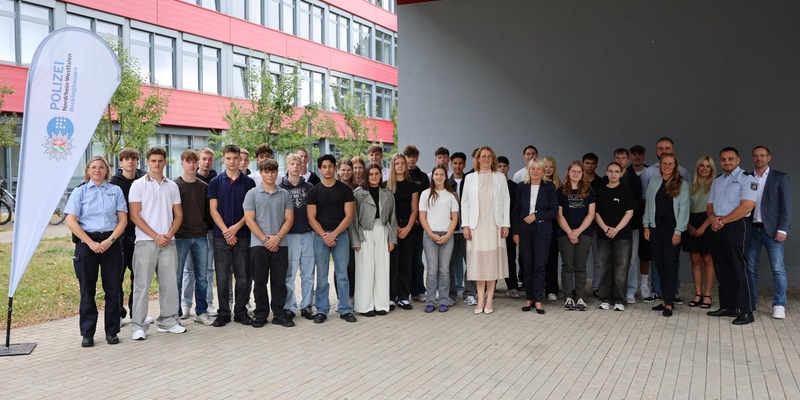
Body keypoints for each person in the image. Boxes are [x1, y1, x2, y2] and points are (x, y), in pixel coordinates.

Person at [65, 156, 128, 347]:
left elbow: (123, 220)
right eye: (94, 167)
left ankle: (112, 331)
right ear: (88, 170)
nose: (97, 170)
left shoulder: (115, 190)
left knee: (113, 289)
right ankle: (87, 333)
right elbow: (71, 220)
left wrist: (110, 240)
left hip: (111, 243)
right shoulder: (80, 192)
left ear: (107, 170)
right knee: (87, 290)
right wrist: (90, 242)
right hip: (87, 244)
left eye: (101, 167)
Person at [128, 147, 185, 340]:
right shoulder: (138, 185)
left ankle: (168, 321)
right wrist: (155, 236)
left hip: (168, 242)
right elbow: (135, 216)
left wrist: (168, 234)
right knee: (142, 285)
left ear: (165, 162)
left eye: (160, 161)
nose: (157, 164)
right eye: (153, 161)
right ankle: (138, 326)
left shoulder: (172, 186)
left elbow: (178, 215)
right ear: (147, 162)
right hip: (145, 242)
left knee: (169, 284)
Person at [707, 147, 758, 325]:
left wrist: (722, 221)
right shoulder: (717, 181)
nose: (726, 162)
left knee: (739, 268)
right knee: (723, 268)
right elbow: (710, 206)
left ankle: (746, 310)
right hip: (717, 226)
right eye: (723, 159)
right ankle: (729, 306)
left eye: (730, 159)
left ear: (738, 160)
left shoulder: (747, 179)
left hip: (736, 226)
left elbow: (746, 207)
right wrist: (713, 219)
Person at [208, 144, 256, 327]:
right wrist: (226, 230)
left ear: (240, 159)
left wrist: (235, 228)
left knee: (243, 276)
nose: (232, 161)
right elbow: (213, 209)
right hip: (221, 237)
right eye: (228, 158)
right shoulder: (215, 182)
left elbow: (251, 211)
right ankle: (223, 313)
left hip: (243, 235)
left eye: (235, 158)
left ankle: (241, 312)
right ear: (224, 159)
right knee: (222, 277)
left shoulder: (248, 182)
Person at [244, 158, 295, 328]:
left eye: (272, 171)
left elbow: (289, 219)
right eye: (266, 171)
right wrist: (266, 239)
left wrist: (277, 238)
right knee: (260, 281)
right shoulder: (252, 194)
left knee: (279, 281)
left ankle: (279, 313)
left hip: (281, 244)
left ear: (276, 173)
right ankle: (261, 314)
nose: (269, 175)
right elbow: (250, 220)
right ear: (261, 173)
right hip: (259, 245)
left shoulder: (285, 194)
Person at [307, 154, 357, 323]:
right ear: (319, 169)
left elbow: (349, 215)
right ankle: (322, 309)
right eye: (324, 167)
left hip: (341, 236)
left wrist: (334, 234)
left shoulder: (345, 190)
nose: (327, 169)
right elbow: (311, 217)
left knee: (342, 274)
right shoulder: (314, 191)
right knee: (321, 276)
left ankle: (345, 308)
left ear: (334, 168)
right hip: (320, 237)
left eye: (330, 166)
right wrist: (324, 235)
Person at [640, 137, 691, 304]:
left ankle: (669, 302)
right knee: (659, 265)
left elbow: (684, 209)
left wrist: (679, 231)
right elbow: (649, 205)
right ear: (659, 166)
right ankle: (664, 299)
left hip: (672, 230)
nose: (667, 166)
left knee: (670, 266)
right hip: (655, 228)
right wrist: (646, 225)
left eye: (670, 164)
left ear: (675, 166)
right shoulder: (654, 182)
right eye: (664, 164)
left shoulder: (682, 184)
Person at [461, 146, 510, 314]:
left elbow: (506, 201)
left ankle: (490, 299)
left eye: (489, 156)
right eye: (483, 156)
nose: (486, 159)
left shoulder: (500, 177)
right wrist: (465, 225)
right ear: (478, 159)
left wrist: (505, 224)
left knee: (492, 263)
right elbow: (465, 203)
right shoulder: (470, 178)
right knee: (479, 264)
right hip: (476, 226)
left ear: (493, 159)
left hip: (494, 225)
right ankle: (480, 298)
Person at [747, 145, 792, 319]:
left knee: (778, 268)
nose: (759, 158)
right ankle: (751, 301)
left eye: (762, 155)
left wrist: (783, 229)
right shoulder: (747, 177)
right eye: (756, 156)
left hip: (773, 231)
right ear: (752, 158)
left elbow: (786, 207)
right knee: (750, 268)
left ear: (769, 158)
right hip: (752, 229)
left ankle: (779, 304)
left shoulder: (780, 178)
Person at [350, 163, 397, 316]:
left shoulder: (388, 193)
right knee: (365, 268)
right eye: (371, 174)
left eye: (377, 174)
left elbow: (392, 218)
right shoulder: (358, 194)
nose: (374, 177)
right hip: (365, 232)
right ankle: (365, 306)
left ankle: (381, 304)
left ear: (381, 175)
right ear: (366, 175)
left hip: (382, 230)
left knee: (382, 268)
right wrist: (356, 241)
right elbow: (353, 220)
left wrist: (392, 239)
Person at [512, 158, 558, 314]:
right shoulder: (521, 187)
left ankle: (538, 300)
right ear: (529, 170)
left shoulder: (550, 187)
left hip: (542, 231)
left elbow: (554, 211)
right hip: (525, 231)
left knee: (539, 265)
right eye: (533, 169)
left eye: (539, 169)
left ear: (543, 171)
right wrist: (516, 232)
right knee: (527, 265)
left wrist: (536, 216)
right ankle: (529, 298)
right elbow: (516, 210)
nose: (536, 171)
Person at [173, 150, 213, 326]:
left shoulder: (204, 186)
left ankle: (201, 311)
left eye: (193, 161)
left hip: (200, 236)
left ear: (197, 164)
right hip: (181, 236)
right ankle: (176, 313)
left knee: (202, 276)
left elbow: (207, 213)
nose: (191, 165)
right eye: (187, 161)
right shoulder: (174, 186)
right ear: (181, 163)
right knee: (178, 276)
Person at [595, 162, 637, 312]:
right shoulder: (599, 191)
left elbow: (629, 213)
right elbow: (596, 213)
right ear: (606, 173)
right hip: (604, 235)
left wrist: (616, 229)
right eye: (610, 171)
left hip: (622, 235)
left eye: (616, 171)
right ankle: (605, 298)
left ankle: (620, 300)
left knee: (621, 268)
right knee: (605, 267)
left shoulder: (626, 191)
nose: (613, 174)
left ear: (621, 174)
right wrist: (606, 228)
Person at [419, 164, 459, 313]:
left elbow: (455, 218)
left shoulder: (451, 195)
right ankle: (430, 301)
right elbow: (422, 217)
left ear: (445, 177)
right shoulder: (425, 194)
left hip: (447, 235)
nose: (439, 177)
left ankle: (443, 300)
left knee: (444, 270)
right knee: (431, 270)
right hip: (430, 235)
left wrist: (448, 235)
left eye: (442, 174)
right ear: (433, 176)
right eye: (436, 174)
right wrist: (431, 234)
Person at [279, 154, 316, 319]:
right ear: (287, 166)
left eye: (298, 164)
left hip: (308, 233)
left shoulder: (310, 188)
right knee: (290, 273)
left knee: (308, 273)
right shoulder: (280, 188)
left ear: (302, 167)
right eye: (292, 164)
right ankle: (289, 306)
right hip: (290, 235)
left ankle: (307, 305)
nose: (295, 167)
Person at [556, 161, 596, 311]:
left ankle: (579, 297)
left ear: (582, 174)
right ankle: (568, 297)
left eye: (579, 172)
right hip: (564, 233)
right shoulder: (560, 191)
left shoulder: (588, 192)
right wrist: (569, 232)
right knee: (567, 266)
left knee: (580, 266)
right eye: (573, 171)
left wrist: (578, 231)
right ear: (568, 172)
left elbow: (591, 214)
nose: (576, 174)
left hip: (584, 233)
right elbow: (559, 215)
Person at [109, 148, 143, 324]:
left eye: (133, 159)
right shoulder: (113, 183)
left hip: (140, 236)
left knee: (138, 278)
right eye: (126, 159)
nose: (130, 161)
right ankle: (118, 313)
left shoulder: (145, 179)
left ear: (137, 162)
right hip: (121, 237)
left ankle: (135, 313)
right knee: (118, 277)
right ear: (120, 163)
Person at [183, 147, 217, 317]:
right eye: (203, 159)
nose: (205, 162)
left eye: (209, 159)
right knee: (187, 272)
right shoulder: (177, 184)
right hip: (183, 235)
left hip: (204, 233)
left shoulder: (209, 184)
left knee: (204, 273)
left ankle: (204, 305)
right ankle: (185, 304)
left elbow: (210, 210)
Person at [387, 153, 420, 311]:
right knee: (393, 264)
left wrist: (407, 228)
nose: (400, 166)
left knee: (406, 263)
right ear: (393, 166)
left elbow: (415, 210)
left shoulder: (412, 186)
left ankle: (404, 297)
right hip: (391, 228)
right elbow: (385, 210)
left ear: (406, 166)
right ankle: (391, 297)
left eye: (402, 163)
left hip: (408, 229)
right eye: (397, 163)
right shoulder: (386, 185)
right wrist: (393, 228)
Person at [683, 156, 716, 309]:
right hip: (690, 221)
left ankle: (707, 294)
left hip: (708, 222)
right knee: (695, 260)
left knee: (708, 260)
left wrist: (703, 227)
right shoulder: (689, 186)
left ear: (711, 169)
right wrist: (688, 226)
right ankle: (697, 293)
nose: (704, 168)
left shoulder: (716, 185)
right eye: (701, 165)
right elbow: (682, 207)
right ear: (697, 168)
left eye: (707, 166)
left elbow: (716, 209)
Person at [403, 145, 429, 301]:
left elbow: (426, 200)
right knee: (404, 260)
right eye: (409, 156)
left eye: (414, 156)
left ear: (417, 158)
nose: (411, 159)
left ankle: (418, 290)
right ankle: (403, 291)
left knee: (417, 260)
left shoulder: (423, 177)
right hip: (402, 224)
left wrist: (421, 219)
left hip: (418, 224)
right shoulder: (400, 174)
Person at [447, 151, 471, 305]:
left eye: (460, 163)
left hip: (467, 229)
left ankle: (470, 293)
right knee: (448, 263)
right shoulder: (446, 183)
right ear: (451, 164)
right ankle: (451, 294)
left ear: (464, 164)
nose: (457, 166)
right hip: (450, 229)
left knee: (471, 261)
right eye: (455, 163)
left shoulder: (470, 181)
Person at [498, 156, 520, 298]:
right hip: (493, 227)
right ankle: (490, 286)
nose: (502, 169)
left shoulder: (514, 187)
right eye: (499, 166)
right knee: (493, 257)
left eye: (504, 166)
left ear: (508, 168)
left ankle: (512, 286)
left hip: (510, 228)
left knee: (510, 257)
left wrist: (515, 230)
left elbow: (516, 210)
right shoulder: (492, 185)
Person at [337, 158, 357, 300]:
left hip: (354, 231)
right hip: (338, 230)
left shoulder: (358, 187)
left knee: (352, 265)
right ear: (338, 170)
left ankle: (352, 295)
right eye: (343, 169)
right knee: (340, 266)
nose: (346, 172)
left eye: (349, 170)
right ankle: (340, 297)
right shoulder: (333, 186)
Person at [542, 156, 561, 300]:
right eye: (546, 166)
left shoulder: (560, 186)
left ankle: (552, 289)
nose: (548, 169)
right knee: (540, 259)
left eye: (551, 167)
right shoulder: (536, 184)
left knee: (552, 258)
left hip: (555, 226)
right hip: (540, 226)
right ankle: (540, 286)